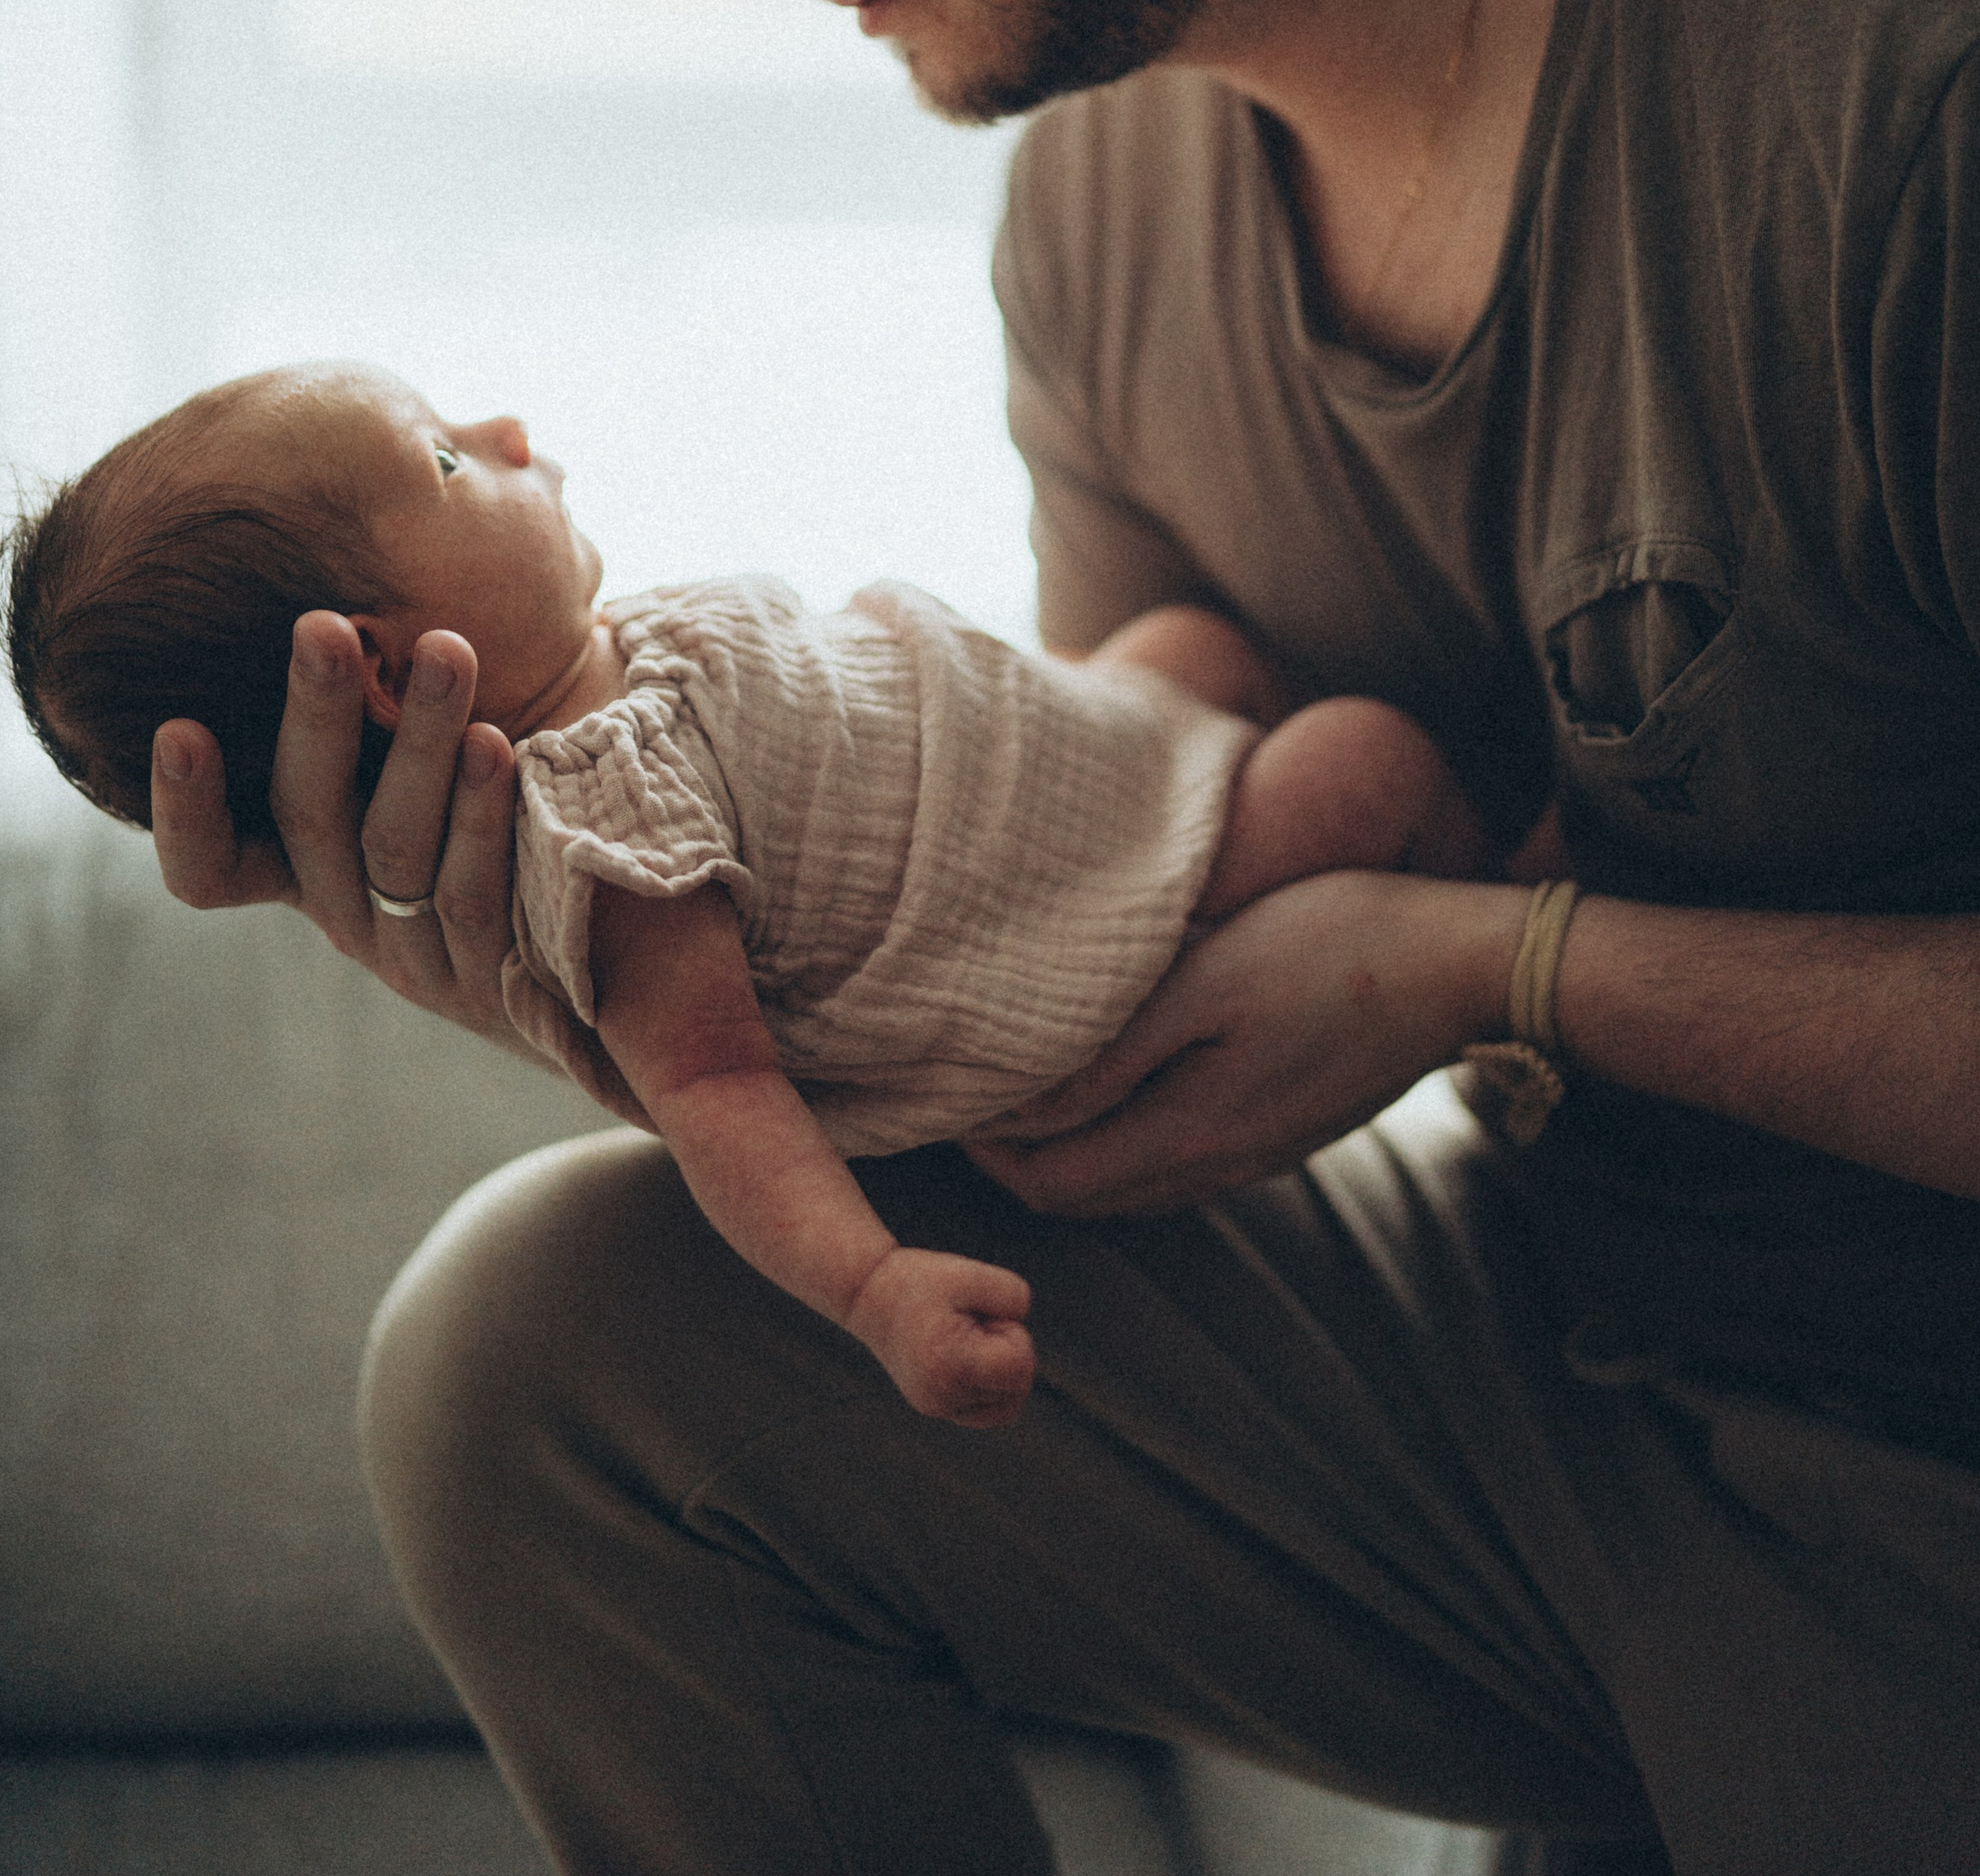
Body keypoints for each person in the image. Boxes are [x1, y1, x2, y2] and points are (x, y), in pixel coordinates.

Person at [145, 0, 1979, 1876]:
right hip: (1568, 1364)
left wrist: (1488, 965)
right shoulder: (1097, 179)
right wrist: (608, 953)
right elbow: (1143, 889)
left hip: (1934, 1435)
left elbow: (1399, 955)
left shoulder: (1903, 69)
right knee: (541, 1354)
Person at [9, 357, 1513, 1429]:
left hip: (1063, 773)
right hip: (1070, 925)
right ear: (391, 665)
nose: (505, 423)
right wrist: (877, 1292)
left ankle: (1275, 800)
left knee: (1194, 649)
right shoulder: (609, 838)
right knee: (1354, 766)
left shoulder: (605, 674)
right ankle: (1517, 892)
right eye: (447, 459)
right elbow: (718, 1088)